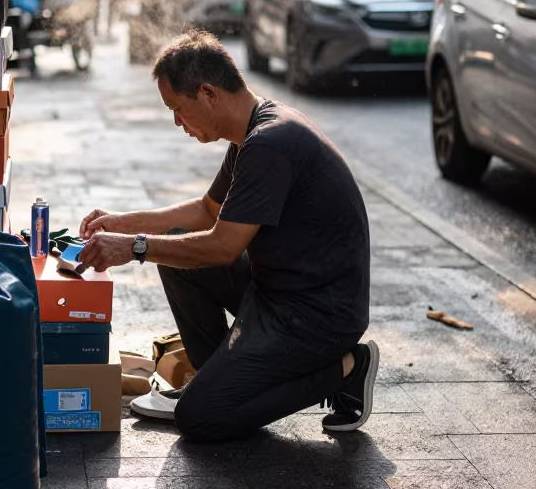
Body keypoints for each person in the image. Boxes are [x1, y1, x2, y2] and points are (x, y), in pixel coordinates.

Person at [77, 29, 377, 442]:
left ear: (208, 93)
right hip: (277, 291)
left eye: (178, 108)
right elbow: (206, 211)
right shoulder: (252, 134)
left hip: (316, 317)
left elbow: (222, 247)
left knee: (199, 417)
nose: (177, 122)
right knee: (177, 251)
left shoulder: (270, 143)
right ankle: (216, 376)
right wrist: (124, 222)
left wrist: (134, 247)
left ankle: (344, 369)